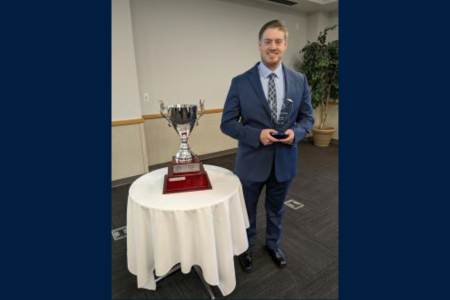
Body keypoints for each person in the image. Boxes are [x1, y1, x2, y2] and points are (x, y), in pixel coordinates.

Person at [220, 20, 314, 272]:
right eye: (268, 41)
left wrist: (295, 133)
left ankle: (273, 244)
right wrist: (256, 135)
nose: (273, 47)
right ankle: (246, 247)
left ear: (285, 45)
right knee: (246, 211)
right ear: (259, 44)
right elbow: (227, 123)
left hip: (284, 161)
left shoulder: (299, 80)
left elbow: (308, 119)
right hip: (251, 162)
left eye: (278, 42)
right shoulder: (240, 82)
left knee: (276, 210)